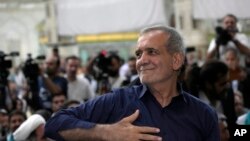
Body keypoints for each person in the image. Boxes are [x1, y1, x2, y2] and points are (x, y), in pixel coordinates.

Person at [45, 25, 220, 141]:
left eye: (151, 52)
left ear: (176, 60)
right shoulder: (118, 101)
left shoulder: (204, 115)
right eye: (138, 54)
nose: (142, 60)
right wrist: (107, 132)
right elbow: (54, 124)